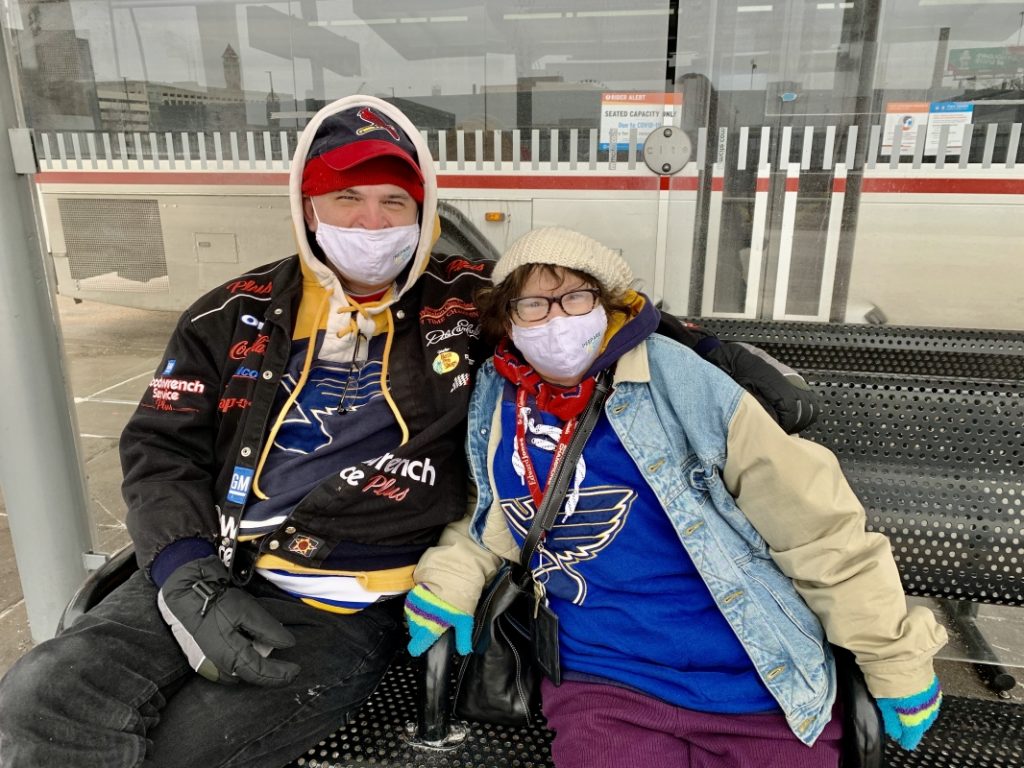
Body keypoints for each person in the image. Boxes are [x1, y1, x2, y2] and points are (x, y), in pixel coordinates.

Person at [0, 95, 493, 767]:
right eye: (347, 197)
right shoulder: (232, 313)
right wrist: (186, 573)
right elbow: (159, 447)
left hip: (347, 598)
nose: (371, 222)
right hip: (216, 563)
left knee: (188, 749)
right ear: (307, 208)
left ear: (424, 209)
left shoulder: (475, 304)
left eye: (394, 202)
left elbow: (580, 308)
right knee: (41, 698)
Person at [403, 227, 948, 768]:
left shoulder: (681, 379)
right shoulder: (498, 395)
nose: (557, 319)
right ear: (507, 320)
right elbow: (491, 514)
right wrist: (449, 582)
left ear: (608, 305)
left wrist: (893, 658)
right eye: (533, 304)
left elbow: (815, 527)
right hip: (604, 683)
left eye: (575, 297)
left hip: (757, 682)